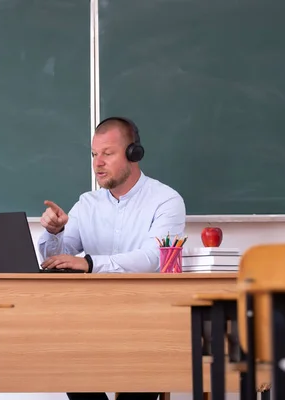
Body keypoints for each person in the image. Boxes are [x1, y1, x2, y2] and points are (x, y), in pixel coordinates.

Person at [37, 116, 186, 400]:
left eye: (108, 153)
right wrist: (55, 232)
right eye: (94, 154)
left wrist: (91, 263)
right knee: (64, 348)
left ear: (134, 154)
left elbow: (154, 257)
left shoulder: (166, 201)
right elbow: (55, 261)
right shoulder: (86, 203)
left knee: (144, 363)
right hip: (92, 317)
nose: (98, 163)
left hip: (146, 320)